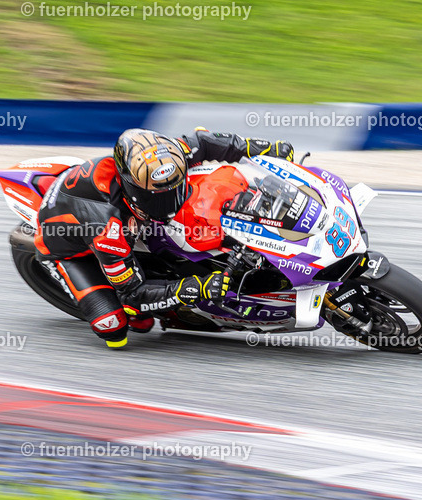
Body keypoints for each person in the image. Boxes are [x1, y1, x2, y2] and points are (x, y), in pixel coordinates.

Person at [34, 127, 294, 347]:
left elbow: (205, 143)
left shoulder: (166, 156)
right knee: (115, 327)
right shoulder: (107, 227)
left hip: (117, 214)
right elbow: (132, 292)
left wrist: (258, 148)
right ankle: (110, 300)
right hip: (68, 248)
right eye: (155, 195)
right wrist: (193, 288)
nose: (168, 200)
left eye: (174, 187)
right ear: (130, 185)